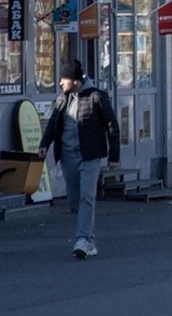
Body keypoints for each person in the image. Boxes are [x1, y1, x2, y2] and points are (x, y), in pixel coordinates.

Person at [37, 59, 119, 259]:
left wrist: (114, 157)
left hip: (90, 156)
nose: (60, 83)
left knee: (86, 196)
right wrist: (44, 145)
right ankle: (87, 238)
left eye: (63, 79)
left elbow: (112, 126)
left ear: (74, 80)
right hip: (67, 156)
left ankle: (83, 240)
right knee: (74, 200)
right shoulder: (61, 100)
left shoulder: (97, 97)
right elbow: (52, 125)